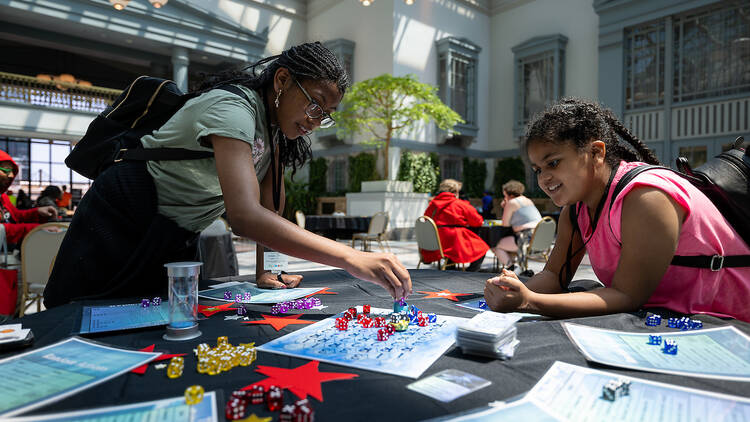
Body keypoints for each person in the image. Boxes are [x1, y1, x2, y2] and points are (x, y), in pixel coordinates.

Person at [44, 42, 411, 308]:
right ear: (282, 80)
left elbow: (269, 212)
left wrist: (268, 272)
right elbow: (245, 217)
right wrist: (351, 257)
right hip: (122, 216)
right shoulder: (233, 108)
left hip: (173, 233)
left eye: (326, 114)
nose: (315, 121)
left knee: (160, 324)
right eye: (314, 104)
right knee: (81, 315)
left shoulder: (274, 134)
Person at [484, 98, 750, 322]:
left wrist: (529, 301)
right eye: (538, 169)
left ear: (596, 152)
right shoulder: (576, 210)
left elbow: (626, 295)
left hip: (727, 320)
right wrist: (514, 289)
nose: (544, 178)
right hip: (664, 318)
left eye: (553, 163)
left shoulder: (645, 197)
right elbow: (554, 276)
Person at [423, 179, 488, 272]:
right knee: (482, 248)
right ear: (456, 192)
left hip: (436, 241)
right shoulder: (459, 203)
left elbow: (426, 219)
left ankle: (450, 268)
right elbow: (477, 221)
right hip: (455, 239)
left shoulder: (433, 204)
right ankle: (471, 272)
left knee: (452, 248)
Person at [0, 150, 57, 248]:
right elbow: (2, 229)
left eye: (13, 171)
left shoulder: (3, 197)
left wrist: (38, 212)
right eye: (6, 170)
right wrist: (37, 229)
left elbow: (16, 216)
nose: (11, 176)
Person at [491, 180, 542, 269]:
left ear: (509, 194)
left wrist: (505, 206)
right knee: (507, 244)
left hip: (526, 238)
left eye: (504, 195)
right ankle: (517, 268)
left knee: (495, 246)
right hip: (539, 237)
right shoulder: (528, 200)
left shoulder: (512, 203)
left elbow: (505, 224)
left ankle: (512, 268)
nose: (504, 198)